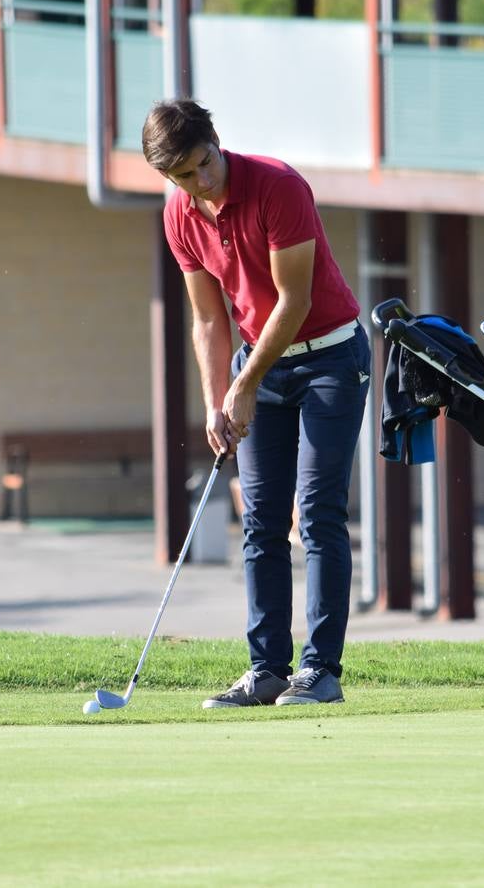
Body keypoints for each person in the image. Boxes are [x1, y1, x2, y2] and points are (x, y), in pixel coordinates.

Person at [142, 99, 371, 708]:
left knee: (318, 512)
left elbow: (293, 302)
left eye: (204, 163)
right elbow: (209, 319)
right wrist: (216, 401)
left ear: (218, 141)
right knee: (261, 519)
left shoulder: (279, 186)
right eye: (184, 176)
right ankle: (267, 669)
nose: (201, 182)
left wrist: (244, 386)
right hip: (259, 365)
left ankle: (320, 672)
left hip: (329, 357)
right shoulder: (180, 216)